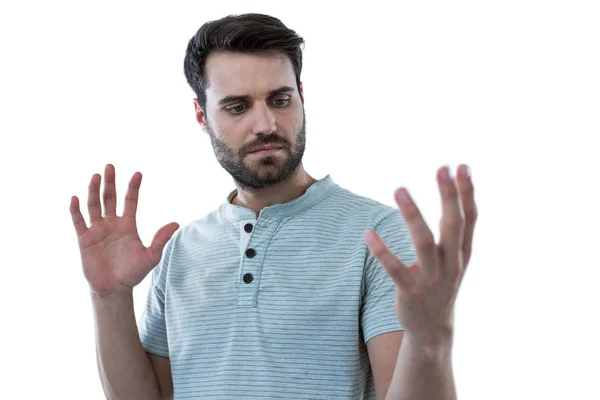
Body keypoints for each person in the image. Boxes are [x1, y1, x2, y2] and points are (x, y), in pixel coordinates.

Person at [70, 13, 477, 400]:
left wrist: (430, 339)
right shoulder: (179, 250)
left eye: (280, 100)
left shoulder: (377, 235)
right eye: (237, 107)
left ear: (301, 97)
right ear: (201, 116)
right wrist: (110, 298)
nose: (265, 124)